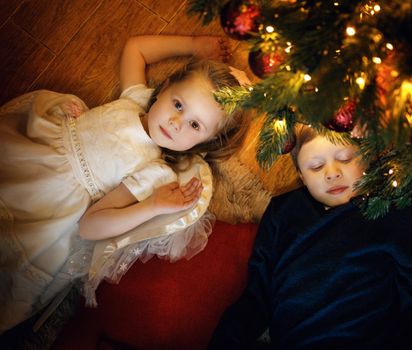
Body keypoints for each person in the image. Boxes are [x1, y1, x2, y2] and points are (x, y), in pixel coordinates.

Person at [0, 34, 250, 333]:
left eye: (195, 125)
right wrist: (193, 45)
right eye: (179, 104)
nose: (175, 123)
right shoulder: (135, 100)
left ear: (206, 142)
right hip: (32, 157)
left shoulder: (154, 171)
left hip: (48, 207)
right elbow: (136, 48)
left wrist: (152, 206)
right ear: (164, 89)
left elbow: (89, 226)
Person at [208, 125, 412, 349]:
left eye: (344, 158)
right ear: (301, 176)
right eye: (316, 166)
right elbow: (257, 294)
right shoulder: (283, 211)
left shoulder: (390, 209)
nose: (332, 173)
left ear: (367, 158)